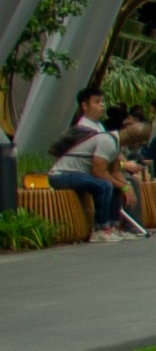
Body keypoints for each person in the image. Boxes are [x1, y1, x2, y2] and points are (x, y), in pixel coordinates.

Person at [44, 94, 137, 243]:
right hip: (67, 173)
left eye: (102, 101)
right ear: (84, 106)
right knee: (105, 184)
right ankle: (101, 229)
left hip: (84, 173)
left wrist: (123, 184)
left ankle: (113, 227)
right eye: (97, 102)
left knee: (116, 185)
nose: (102, 105)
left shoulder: (100, 127)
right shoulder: (83, 128)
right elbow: (98, 168)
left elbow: (110, 163)